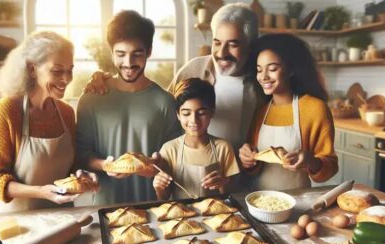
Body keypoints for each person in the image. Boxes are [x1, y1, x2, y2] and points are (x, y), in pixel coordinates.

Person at [85, 3, 266, 152]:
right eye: (217, 42)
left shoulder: (262, 83)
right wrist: (105, 79)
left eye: (233, 45)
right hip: (187, 175)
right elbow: (164, 109)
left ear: (250, 46)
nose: (222, 53)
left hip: (237, 180)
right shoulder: (194, 69)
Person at [0, 31, 99, 213]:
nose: (67, 79)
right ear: (32, 69)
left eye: (70, 70)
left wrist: (80, 177)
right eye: (57, 71)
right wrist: (41, 192)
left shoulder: (65, 113)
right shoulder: (6, 111)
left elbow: (68, 169)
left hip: (63, 219)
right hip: (18, 223)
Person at [76, 10, 179, 205]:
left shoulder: (165, 102)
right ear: (112, 53)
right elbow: (82, 155)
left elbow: (175, 159)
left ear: (148, 52)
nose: (128, 63)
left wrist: (158, 165)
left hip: (152, 208)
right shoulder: (91, 99)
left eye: (137, 54)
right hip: (105, 208)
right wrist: (105, 165)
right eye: (121, 54)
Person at [239, 33, 338, 191]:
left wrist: (310, 161)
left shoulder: (315, 109)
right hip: (259, 198)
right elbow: (254, 167)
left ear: (291, 70)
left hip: (297, 199)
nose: (263, 77)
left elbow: (330, 167)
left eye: (272, 69)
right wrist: (248, 160)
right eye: (259, 70)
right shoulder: (261, 111)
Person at [153, 78, 240, 200]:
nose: (194, 120)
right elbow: (164, 198)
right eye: (186, 113)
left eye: (201, 113)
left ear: (212, 112)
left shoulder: (223, 147)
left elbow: (231, 194)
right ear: (178, 115)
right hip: (181, 216)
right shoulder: (169, 149)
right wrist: (159, 187)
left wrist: (223, 183)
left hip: (216, 215)